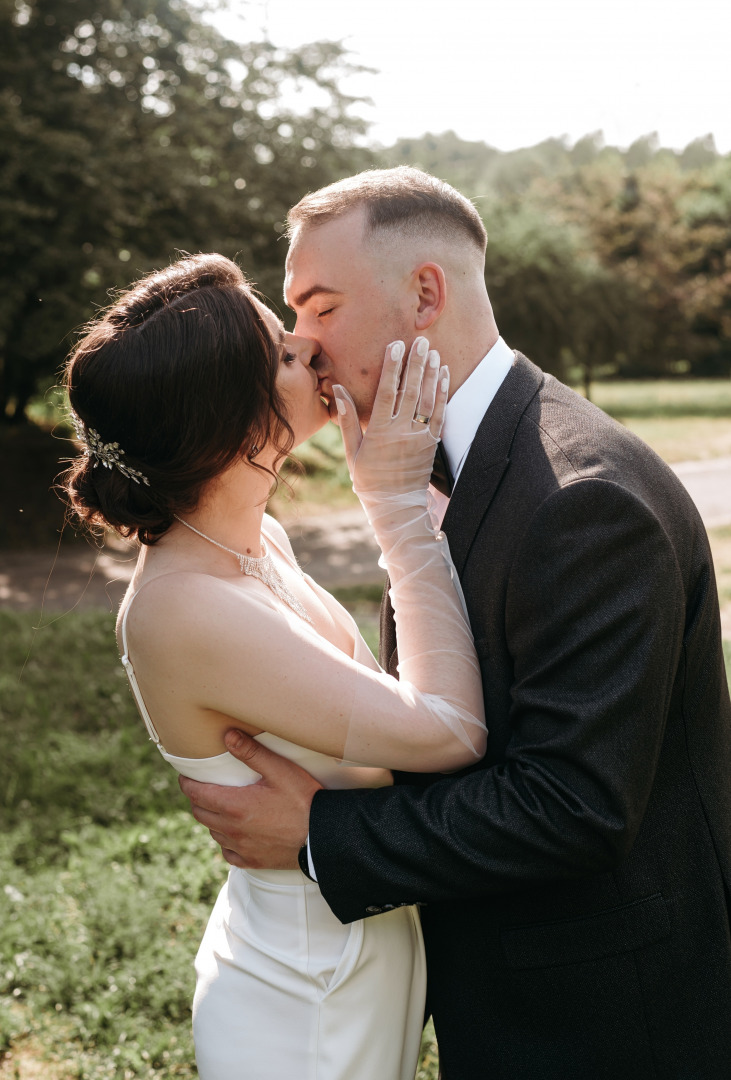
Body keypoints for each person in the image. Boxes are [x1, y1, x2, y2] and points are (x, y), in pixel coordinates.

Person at [180, 168, 731, 1080]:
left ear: (424, 294)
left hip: (606, 1015)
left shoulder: (583, 502)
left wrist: (323, 835)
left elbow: (574, 805)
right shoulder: (424, 457)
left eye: (319, 307)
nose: (300, 344)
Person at [60, 251, 488, 1080]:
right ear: (235, 423)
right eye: (284, 355)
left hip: (353, 956)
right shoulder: (186, 608)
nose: (310, 348)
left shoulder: (255, 545)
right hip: (304, 1004)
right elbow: (450, 732)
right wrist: (395, 505)